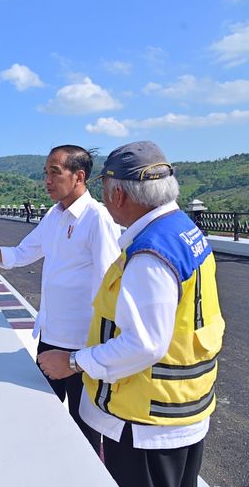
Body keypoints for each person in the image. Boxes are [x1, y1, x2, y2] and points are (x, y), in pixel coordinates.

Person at [38, 141, 225, 487]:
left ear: (119, 195)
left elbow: (144, 345)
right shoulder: (184, 230)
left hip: (145, 421)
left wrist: (73, 363)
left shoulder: (150, 254)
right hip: (183, 409)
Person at [0, 145, 121, 450]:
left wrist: (100, 351)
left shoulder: (97, 219)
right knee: (43, 417)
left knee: (85, 430)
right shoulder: (54, 216)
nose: (47, 180)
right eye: (46, 173)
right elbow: (20, 254)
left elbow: (111, 285)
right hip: (50, 336)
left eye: (54, 173)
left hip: (82, 345)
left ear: (79, 176)